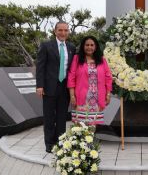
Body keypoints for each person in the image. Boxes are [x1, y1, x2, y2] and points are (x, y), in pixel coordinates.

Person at [36, 21, 76, 153]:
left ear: (68, 32)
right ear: (55, 31)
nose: (63, 33)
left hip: (65, 88)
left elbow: (72, 69)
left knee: (61, 117)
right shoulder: (46, 45)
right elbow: (40, 67)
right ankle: (49, 143)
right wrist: (40, 85)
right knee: (49, 117)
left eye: (66, 30)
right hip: (49, 87)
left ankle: (60, 142)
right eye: (60, 30)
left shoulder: (71, 47)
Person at [67, 36, 113, 125]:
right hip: (81, 98)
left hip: (97, 98)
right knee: (80, 126)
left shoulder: (102, 60)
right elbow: (71, 77)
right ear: (83, 46)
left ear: (95, 47)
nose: (89, 47)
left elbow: (108, 78)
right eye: (87, 45)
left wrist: (108, 94)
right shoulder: (77, 59)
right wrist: (72, 96)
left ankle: (91, 139)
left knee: (93, 125)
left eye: (92, 45)